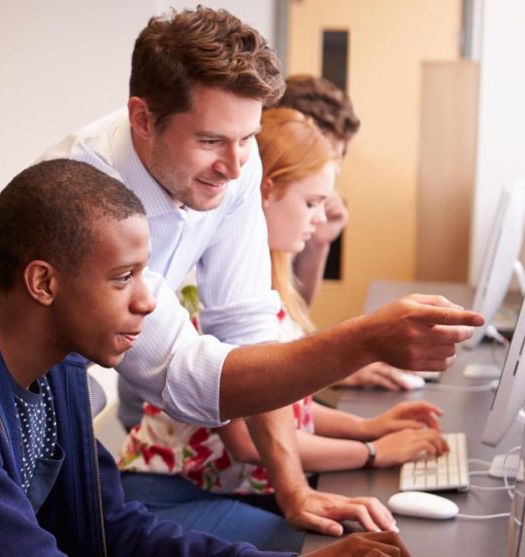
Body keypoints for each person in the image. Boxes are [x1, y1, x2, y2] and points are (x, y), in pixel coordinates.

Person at [0, 6, 483, 536]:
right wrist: (367, 339)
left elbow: (249, 328)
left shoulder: (234, 156)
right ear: (142, 117)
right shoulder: (91, 189)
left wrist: (292, 491)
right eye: (210, 140)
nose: (236, 167)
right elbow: (191, 382)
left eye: (247, 138)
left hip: (56, 388)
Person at [0, 159, 412, 557]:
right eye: (123, 277)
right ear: (43, 282)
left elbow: (110, 528)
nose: (147, 300)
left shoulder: (53, 370)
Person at [117, 109, 448, 551]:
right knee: (332, 542)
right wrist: (373, 452)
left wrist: (368, 428)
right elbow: (246, 441)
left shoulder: (266, 290)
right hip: (166, 500)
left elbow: (289, 411)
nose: (317, 222)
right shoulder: (205, 295)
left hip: (221, 488)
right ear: (265, 192)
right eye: (310, 203)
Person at [277, 75, 417, 392]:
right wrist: (334, 369)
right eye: (322, 153)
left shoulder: (300, 213)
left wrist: (320, 243)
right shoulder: (267, 212)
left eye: (338, 155)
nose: (332, 170)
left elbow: (290, 317)